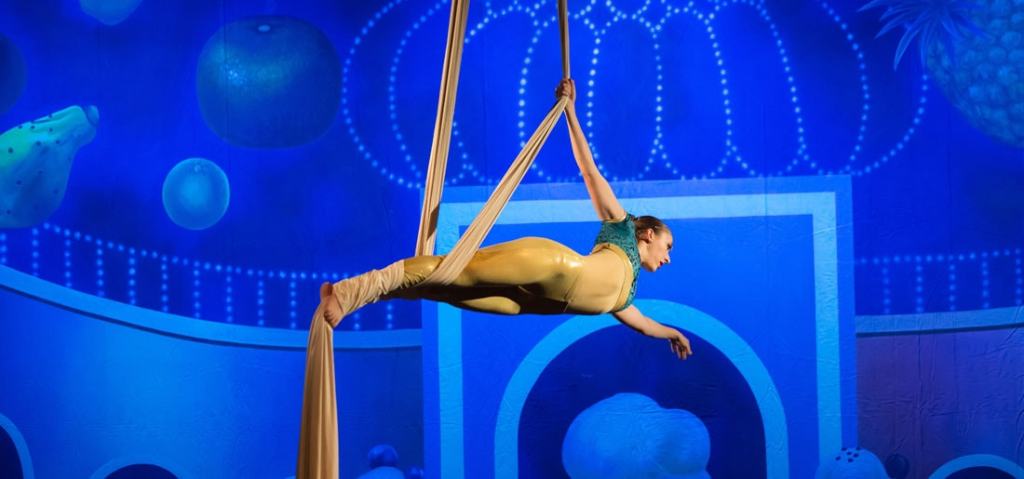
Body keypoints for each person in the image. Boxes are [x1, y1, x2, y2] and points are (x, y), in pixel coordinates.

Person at [317, 78, 692, 360]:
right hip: (550, 266)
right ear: (648, 233)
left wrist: (672, 334)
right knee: (452, 271)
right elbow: (589, 170)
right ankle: (348, 293)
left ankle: (356, 297)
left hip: (522, 303)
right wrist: (570, 111)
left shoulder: (627, 295)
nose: (669, 257)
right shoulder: (621, 226)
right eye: (669, 245)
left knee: (440, 288)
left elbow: (645, 326)